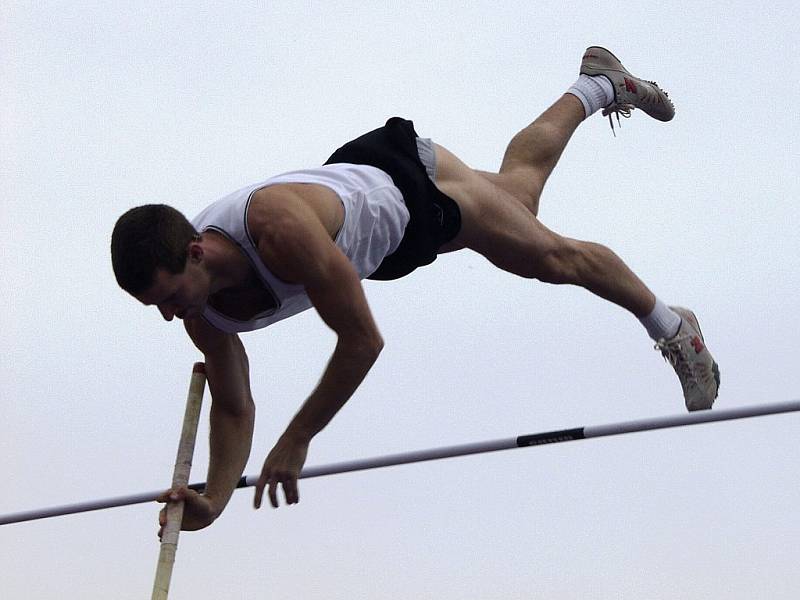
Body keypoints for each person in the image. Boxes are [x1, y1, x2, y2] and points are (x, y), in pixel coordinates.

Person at [111, 47, 720, 534]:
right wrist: (214, 498)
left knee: (549, 257)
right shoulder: (201, 312)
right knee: (520, 194)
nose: (171, 316)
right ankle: (600, 85)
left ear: (196, 251)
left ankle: (673, 326)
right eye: (157, 307)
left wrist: (298, 438)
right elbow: (235, 404)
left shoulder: (276, 232)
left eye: (168, 297)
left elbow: (362, 341)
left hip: (411, 188)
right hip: (376, 230)